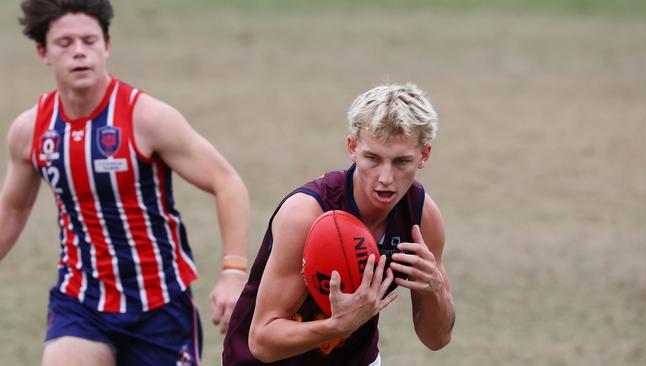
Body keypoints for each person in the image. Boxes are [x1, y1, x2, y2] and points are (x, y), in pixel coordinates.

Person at [0, 1, 250, 365]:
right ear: (43, 51)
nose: (79, 52)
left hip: (160, 305)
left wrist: (232, 272)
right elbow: (13, 208)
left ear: (107, 45)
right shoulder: (31, 131)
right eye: (64, 43)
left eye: (89, 40)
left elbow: (227, 182)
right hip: (81, 301)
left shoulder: (146, 117)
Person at [222, 83, 456, 365]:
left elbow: (437, 339)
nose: (385, 178)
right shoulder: (305, 215)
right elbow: (262, 340)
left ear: (424, 155)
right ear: (352, 148)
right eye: (373, 158)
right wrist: (338, 326)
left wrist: (435, 290)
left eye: (401, 162)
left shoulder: (422, 218)